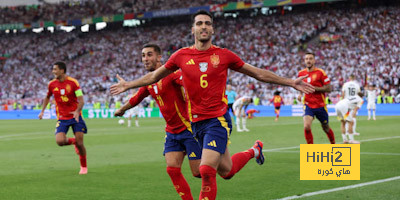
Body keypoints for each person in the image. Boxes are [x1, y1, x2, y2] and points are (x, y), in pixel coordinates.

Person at [110, 10, 314, 200]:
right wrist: (128, 84)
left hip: (217, 120)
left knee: (206, 170)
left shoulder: (224, 55)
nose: (204, 26)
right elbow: (154, 76)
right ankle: (254, 150)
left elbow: (258, 73)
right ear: (193, 29)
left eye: (208, 23)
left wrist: (289, 81)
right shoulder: (181, 56)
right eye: (199, 23)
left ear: (213, 29)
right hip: (196, 124)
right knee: (226, 171)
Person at [114, 44, 202, 200]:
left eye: (149, 55)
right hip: (172, 132)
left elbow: (190, 82)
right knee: (172, 170)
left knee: (199, 173)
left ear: (159, 57)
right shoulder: (149, 81)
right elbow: (137, 98)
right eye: (143, 56)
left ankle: (244, 155)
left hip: (188, 128)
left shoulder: (173, 74)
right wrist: (122, 109)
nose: (145, 59)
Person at [38, 61, 88, 175]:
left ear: (62, 70)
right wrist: (42, 111)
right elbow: (47, 97)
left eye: (55, 69)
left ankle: (83, 166)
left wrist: (77, 111)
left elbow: (81, 100)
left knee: (81, 144)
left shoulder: (74, 83)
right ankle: (73, 142)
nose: (53, 71)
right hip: (62, 117)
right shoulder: (51, 84)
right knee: (60, 141)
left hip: (76, 117)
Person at [298, 52, 335, 144]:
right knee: (306, 126)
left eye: (310, 58)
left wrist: (314, 89)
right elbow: (300, 85)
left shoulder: (320, 72)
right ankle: (310, 150)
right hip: (308, 104)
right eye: (306, 59)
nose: (308, 61)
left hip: (320, 105)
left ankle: (333, 144)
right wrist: (300, 93)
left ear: (314, 60)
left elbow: (329, 88)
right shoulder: (301, 73)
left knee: (326, 127)